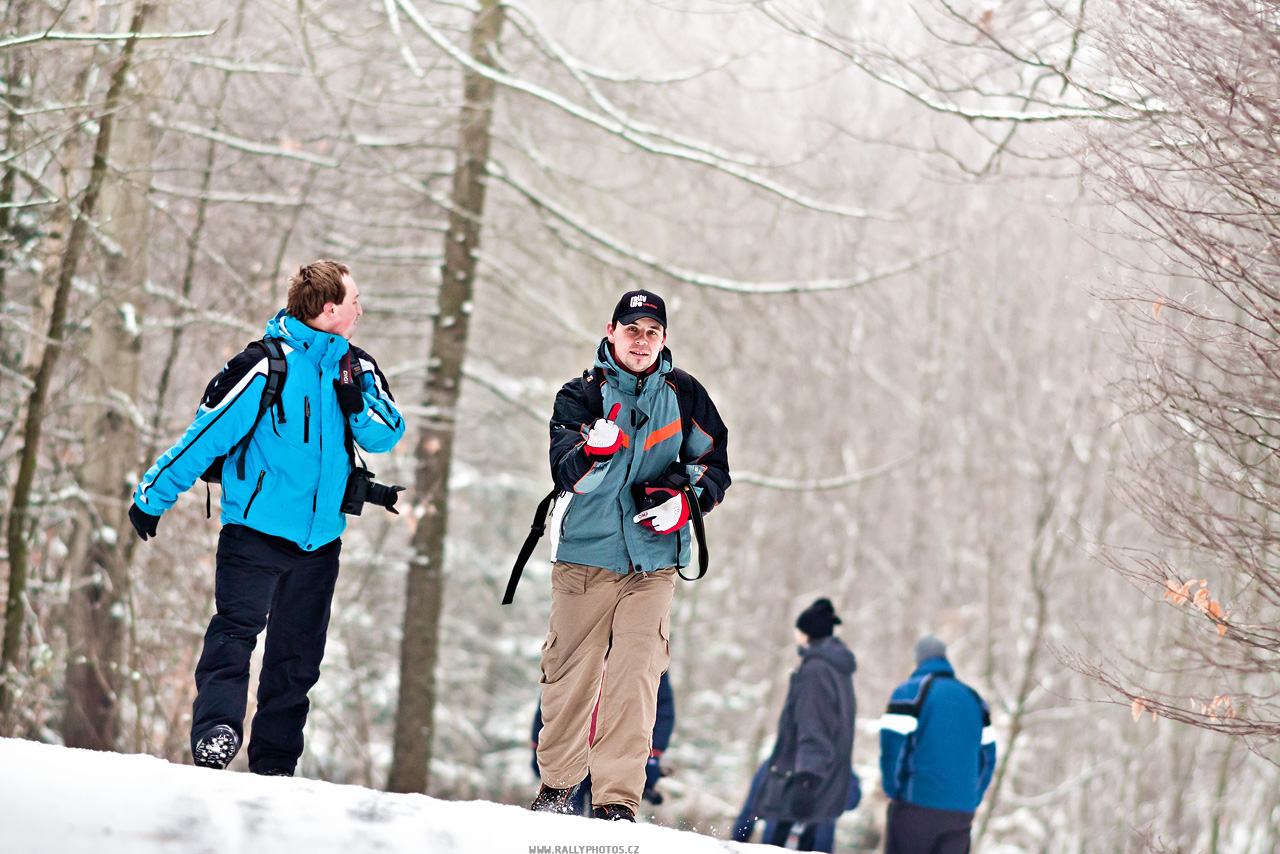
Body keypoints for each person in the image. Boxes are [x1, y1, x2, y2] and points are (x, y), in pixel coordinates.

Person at [130, 260, 405, 776]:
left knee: (297, 660)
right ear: (330, 309)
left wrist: (353, 406)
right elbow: (203, 436)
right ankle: (217, 733)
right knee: (234, 634)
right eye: (354, 301)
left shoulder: (357, 367)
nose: (360, 309)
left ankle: (275, 766)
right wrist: (153, 496)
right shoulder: (265, 365)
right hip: (254, 534)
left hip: (321, 542)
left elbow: (386, 433)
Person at [530, 289, 730, 821]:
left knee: (636, 679)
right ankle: (556, 789)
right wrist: (592, 449)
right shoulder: (580, 395)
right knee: (569, 677)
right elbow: (563, 469)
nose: (641, 341)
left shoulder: (686, 395)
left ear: (664, 339)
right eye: (632, 329)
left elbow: (715, 465)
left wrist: (685, 505)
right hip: (584, 560)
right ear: (612, 332)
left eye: (652, 331)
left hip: (653, 564)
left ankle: (617, 802)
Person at [752, 599, 857, 851]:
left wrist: (807, 777)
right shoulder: (836, 669)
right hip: (826, 771)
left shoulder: (816, 670)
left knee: (781, 843)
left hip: (807, 775)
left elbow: (814, 724)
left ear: (807, 633)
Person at [879, 635, 997, 854]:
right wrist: (973, 795)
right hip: (961, 813)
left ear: (918, 661)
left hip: (916, 806)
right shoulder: (975, 699)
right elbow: (988, 756)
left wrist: (893, 789)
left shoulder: (911, 692)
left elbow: (891, 748)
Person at [531, 669, 675, 814]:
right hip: (572, 751)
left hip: (616, 756)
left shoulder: (642, 658)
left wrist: (652, 756)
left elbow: (661, 709)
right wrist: (539, 746)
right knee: (565, 814)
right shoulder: (578, 652)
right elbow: (550, 701)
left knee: (607, 816)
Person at [732, 758, 860, 852]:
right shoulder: (775, 764)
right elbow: (750, 810)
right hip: (774, 844)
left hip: (816, 845)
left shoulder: (837, 769)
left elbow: (852, 801)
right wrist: (736, 843)